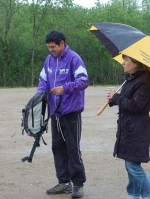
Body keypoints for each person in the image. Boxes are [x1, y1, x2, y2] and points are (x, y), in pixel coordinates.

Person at [37, 31, 88, 198]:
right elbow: (43, 81)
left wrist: (64, 88)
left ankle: (78, 183)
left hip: (71, 113)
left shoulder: (74, 59)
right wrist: (39, 95)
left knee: (73, 148)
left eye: (53, 47)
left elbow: (83, 81)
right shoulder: (48, 60)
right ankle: (64, 182)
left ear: (62, 44)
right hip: (55, 113)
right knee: (57, 148)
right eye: (49, 47)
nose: (51, 50)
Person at [106, 54, 150, 199]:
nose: (123, 63)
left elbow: (136, 105)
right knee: (130, 163)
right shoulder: (130, 79)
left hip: (137, 129)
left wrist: (116, 98)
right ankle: (134, 194)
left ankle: (148, 195)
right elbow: (126, 100)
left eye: (127, 60)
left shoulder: (144, 81)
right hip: (128, 127)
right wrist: (113, 99)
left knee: (132, 165)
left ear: (136, 63)